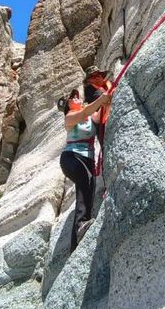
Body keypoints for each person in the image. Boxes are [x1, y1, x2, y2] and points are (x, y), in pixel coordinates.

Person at [56, 87, 112, 251]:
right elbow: (85, 111)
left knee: (87, 191)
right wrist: (101, 100)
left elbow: (100, 114)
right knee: (84, 184)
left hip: (87, 159)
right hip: (72, 157)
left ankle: (77, 241)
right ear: (68, 105)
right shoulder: (70, 117)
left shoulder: (89, 117)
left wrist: (107, 99)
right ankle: (81, 225)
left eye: (76, 96)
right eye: (72, 98)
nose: (76, 98)